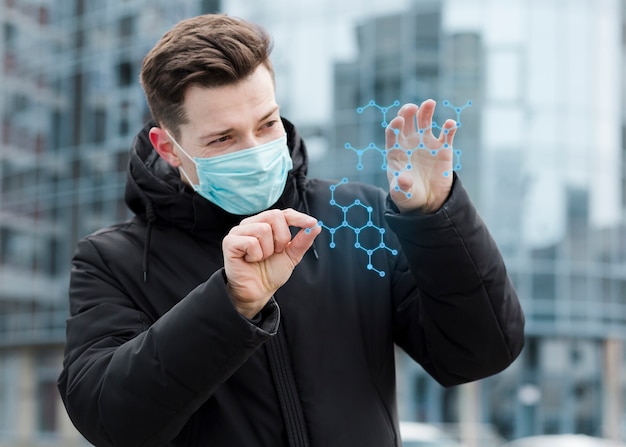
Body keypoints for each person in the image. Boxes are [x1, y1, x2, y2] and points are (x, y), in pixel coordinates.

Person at [57, 13, 525, 447]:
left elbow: (479, 353)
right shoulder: (112, 261)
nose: (256, 149)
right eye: (223, 138)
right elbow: (109, 420)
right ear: (169, 148)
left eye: (266, 124)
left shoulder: (355, 216)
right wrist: (231, 305)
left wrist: (436, 218)